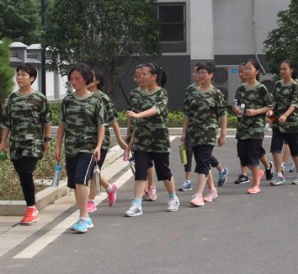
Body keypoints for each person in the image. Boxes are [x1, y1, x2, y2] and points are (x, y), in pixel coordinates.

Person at [0, 63, 52, 225]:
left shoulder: (39, 98)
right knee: (22, 174)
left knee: (26, 172)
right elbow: (6, 122)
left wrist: (46, 139)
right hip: (16, 144)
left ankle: (31, 209)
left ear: (32, 78)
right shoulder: (12, 98)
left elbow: (47, 120)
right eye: (18, 74)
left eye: (23, 75)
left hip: (33, 143)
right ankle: (30, 206)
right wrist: (3, 143)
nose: (19, 77)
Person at [54, 63, 105, 234]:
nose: (74, 82)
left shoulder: (96, 100)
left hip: (88, 147)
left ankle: (83, 216)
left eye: (78, 78)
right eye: (72, 79)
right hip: (71, 147)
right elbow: (62, 124)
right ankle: (85, 217)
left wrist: (98, 146)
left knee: (80, 179)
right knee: (75, 184)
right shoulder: (68, 100)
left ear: (86, 79)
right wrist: (57, 146)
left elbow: (101, 126)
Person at [124, 63, 180, 216]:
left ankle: (173, 197)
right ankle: (137, 204)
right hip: (141, 140)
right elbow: (133, 117)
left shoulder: (162, 93)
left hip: (159, 139)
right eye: (138, 76)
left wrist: (138, 115)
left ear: (154, 77)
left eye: (144, 75)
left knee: (164, 172)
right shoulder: (138, 94)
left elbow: (156, 109)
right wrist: (129, 139)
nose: (140, 78)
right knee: (140, 171)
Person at [182, 62, 228, 207]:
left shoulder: (216, 93)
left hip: (208, 133)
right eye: (198, 72)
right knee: (203, 162)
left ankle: (198, 195)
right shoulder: (192, 92)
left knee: (202, 162)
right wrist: (184, 132)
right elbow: (187, 114)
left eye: (203, 73)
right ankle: (212, 190)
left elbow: (223, 114)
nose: (200, 75)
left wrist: (223, 134)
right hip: (194, 133)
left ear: (211, 75)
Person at [87, 69, 128, 209]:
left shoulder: (103, 97)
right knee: (91, 170)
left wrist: (119, 140)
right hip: (84, 141)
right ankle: (110, 188)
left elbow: (113, 119)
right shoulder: (79, 96)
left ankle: (91, 201)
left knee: (93, 170)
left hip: (100, 140)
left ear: (97, 81)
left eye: (90, 77)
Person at [234, 58, 274, 194]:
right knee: (243, 156)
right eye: (245, 68)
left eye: (249, 68)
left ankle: (256, 184)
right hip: (242, 126)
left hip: (256, 127)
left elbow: (269, 106)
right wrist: (237, 109)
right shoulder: (240, 88)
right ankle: (259, 172)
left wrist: (256, 111)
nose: (246, 71)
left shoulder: (261, 88)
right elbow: (236, 103)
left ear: (256, 71)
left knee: (253, 154)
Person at [270, 60, 298, 185]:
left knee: (295, 149)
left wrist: (285, 115)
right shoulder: (278, 84)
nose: (282, 71)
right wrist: (271, 115)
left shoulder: (295, 85)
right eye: (281, 69)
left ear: (291, 70)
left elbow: (295, 103)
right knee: (275, 148)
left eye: (285, 69)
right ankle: (279, 174)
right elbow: (274, 102)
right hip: (278, 123)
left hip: (292, 122)